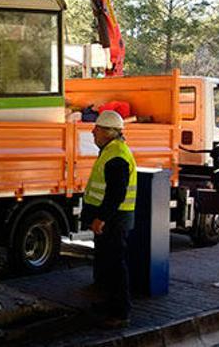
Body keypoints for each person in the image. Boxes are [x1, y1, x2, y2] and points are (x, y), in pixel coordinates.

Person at [81, 110, 137, 329]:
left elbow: (116, 194)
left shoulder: (116, 155)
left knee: (115, 267)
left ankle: (120, 313)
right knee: (107, 265)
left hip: (113, 221)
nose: (92, 132)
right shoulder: (111, 151)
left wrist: (101, 219)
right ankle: (109, 305)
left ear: (107, 132)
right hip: (111, 220)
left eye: (96, 129)